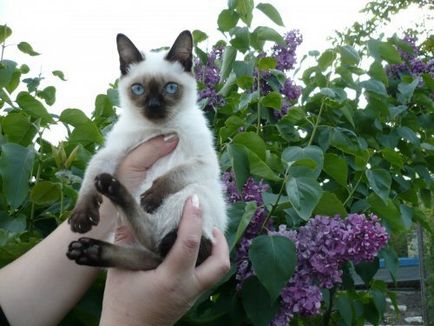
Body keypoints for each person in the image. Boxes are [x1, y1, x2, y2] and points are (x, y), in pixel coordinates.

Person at [0, 135, 230, 326]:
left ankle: (130, 230)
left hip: (174, 220)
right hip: (155, 224)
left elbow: (206, 167)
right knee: (169, 241)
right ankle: (132, 238)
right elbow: (107, 158)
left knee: (179, 233)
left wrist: (103, 209)